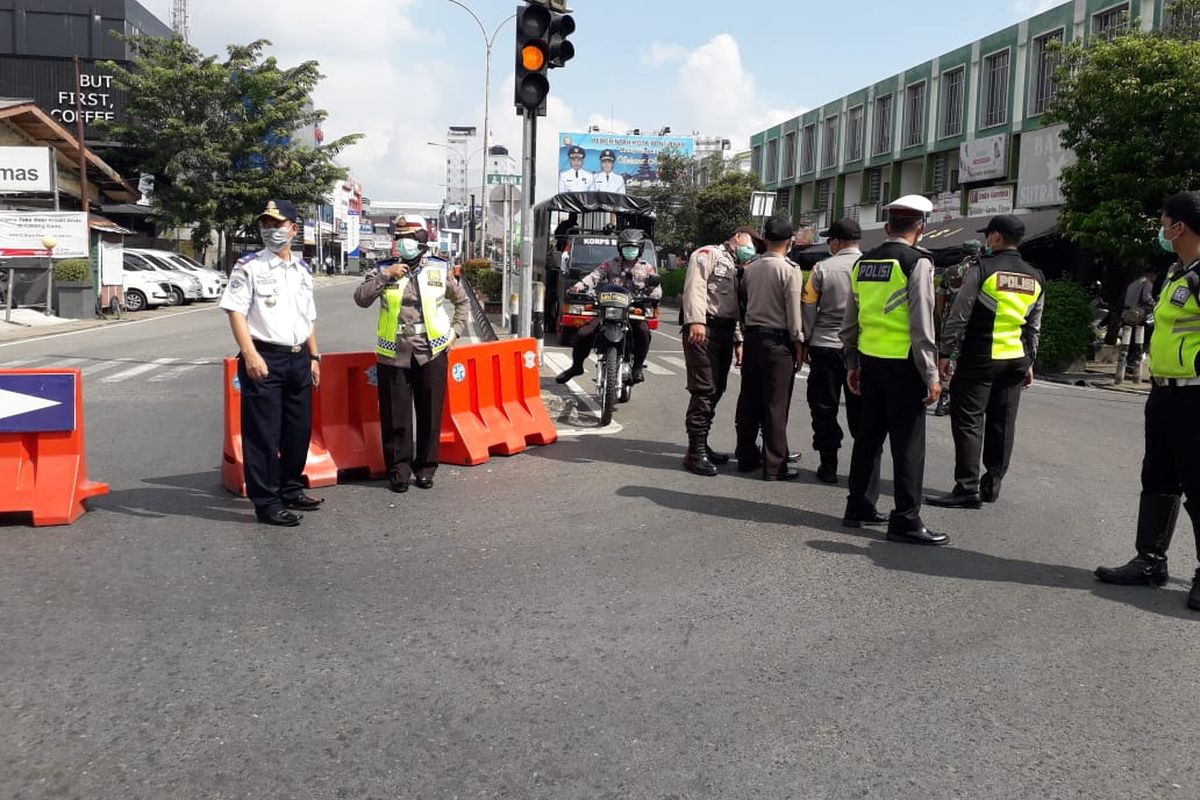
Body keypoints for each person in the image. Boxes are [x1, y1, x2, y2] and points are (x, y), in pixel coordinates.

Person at [1097, 191, 1200, 611]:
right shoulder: (1178, 271)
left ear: (1179, 226)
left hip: (1196, 395)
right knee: (1157, 480)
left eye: (1163, 221)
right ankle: (1150, 561)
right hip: (1163, 393)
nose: (1160, 229)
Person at [840, 195, 945, 545]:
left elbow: (850, 321)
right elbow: (922, 324)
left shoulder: (862, 263)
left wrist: (852, 363)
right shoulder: (917, 262)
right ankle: (905, 519)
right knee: (908, 446)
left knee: (867, 439)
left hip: (870, 361)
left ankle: (858, 506)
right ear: (921, 228)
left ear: (887, 227)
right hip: (904, 365)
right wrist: (931, 374)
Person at [926, 215, 1044, 510]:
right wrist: (1030, 360)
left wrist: (945, 352)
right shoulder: (1035, 275)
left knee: (968, 421)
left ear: (996, 238)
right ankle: (992, 483)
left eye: (988, 236)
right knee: (1003, 422)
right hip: (1016, 358)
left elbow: (958, 315)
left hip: (980, 356)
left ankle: (966, 487)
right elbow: (1033, 325)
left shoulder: (983, 269)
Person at [220, 200, 322, 527]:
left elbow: (309, 317)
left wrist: (315, 356)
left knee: (298, 430)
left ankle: (290, 488)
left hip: (299, 358)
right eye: (265, 225)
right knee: (263, 435)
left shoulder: (303, 269)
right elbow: (235, 311)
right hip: (265, 356)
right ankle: (266, 502)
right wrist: (249, 354)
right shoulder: (249, 266)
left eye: (277, 225)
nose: (270, 231)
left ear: (293, 228)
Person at [354, 217, 470, 493]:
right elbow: (361, 299)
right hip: (393, 351)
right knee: (396, 415)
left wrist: (454, 334)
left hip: (432, 350)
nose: (402, 242)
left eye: (408, 237)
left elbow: (462, 302)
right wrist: (386, 276)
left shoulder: (440, 269)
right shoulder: (383, 268)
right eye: (399, 237)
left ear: (421, 241)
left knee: (430, 413)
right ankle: (398, 470)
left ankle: (426, 468)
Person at [680, 227, 763, 476]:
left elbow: (734, 307)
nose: (752, 250)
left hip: (725, 332)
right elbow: (695, 287)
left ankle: (702, 443)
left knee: (717, 388)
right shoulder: (707, 254)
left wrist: (738, 340)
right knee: (704, 389)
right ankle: (695, 452)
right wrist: (696, 321)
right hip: (703, 329)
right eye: (751, 243)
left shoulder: (735, 266)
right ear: (738, 236)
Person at [735, 216, 805, 481]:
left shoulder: (750, 267)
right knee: (776, 403)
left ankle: (745, 456)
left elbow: (742, 302)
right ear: (789, 242)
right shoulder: (790, 269)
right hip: (778, 342)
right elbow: (793, 311)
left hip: (753, 338)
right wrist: (798, 343)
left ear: (765, 241)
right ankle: (775, 465)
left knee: (749, 399)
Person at [802, 218, 869, 486]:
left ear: (837, 243)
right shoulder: (871, 267)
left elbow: (808, 306)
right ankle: (862, 466)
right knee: (861, 410)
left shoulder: (821, 269)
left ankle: (828, 463)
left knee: (824, 407)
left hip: (825, 346)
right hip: (861, 348)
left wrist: (806, 340)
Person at [555, 229, 661, 384]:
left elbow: (656, 288)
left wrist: (654, 295)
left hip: (632, 310)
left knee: (643, 332)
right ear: (620, 248)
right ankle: (576, 367)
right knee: (584, 334)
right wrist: (578, 287)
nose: (630, 251)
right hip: (608, 309)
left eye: (633, 248)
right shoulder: (610, 264)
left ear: (640, 250)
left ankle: (637, 368)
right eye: (626, 248)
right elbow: (593, 277)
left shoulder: (647, 268)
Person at [934, 240, 982, 415]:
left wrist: (943, 316)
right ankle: (965, 401)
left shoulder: (951, 271)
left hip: (952, 323)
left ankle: (944, 399)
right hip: (974, 325)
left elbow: (940, 295)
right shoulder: (982, 270)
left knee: (948, 361)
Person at [1121, 267, 1158, 379]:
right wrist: (1157, 306)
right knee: (1144, 336)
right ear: (1152, 274)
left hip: (1127, 313)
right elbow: (1147, 299)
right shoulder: (1147, 283)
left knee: (1130, 340)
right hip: (1137, 314)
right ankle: (1134, 361)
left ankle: (1127, 363)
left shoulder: (1134, 282)